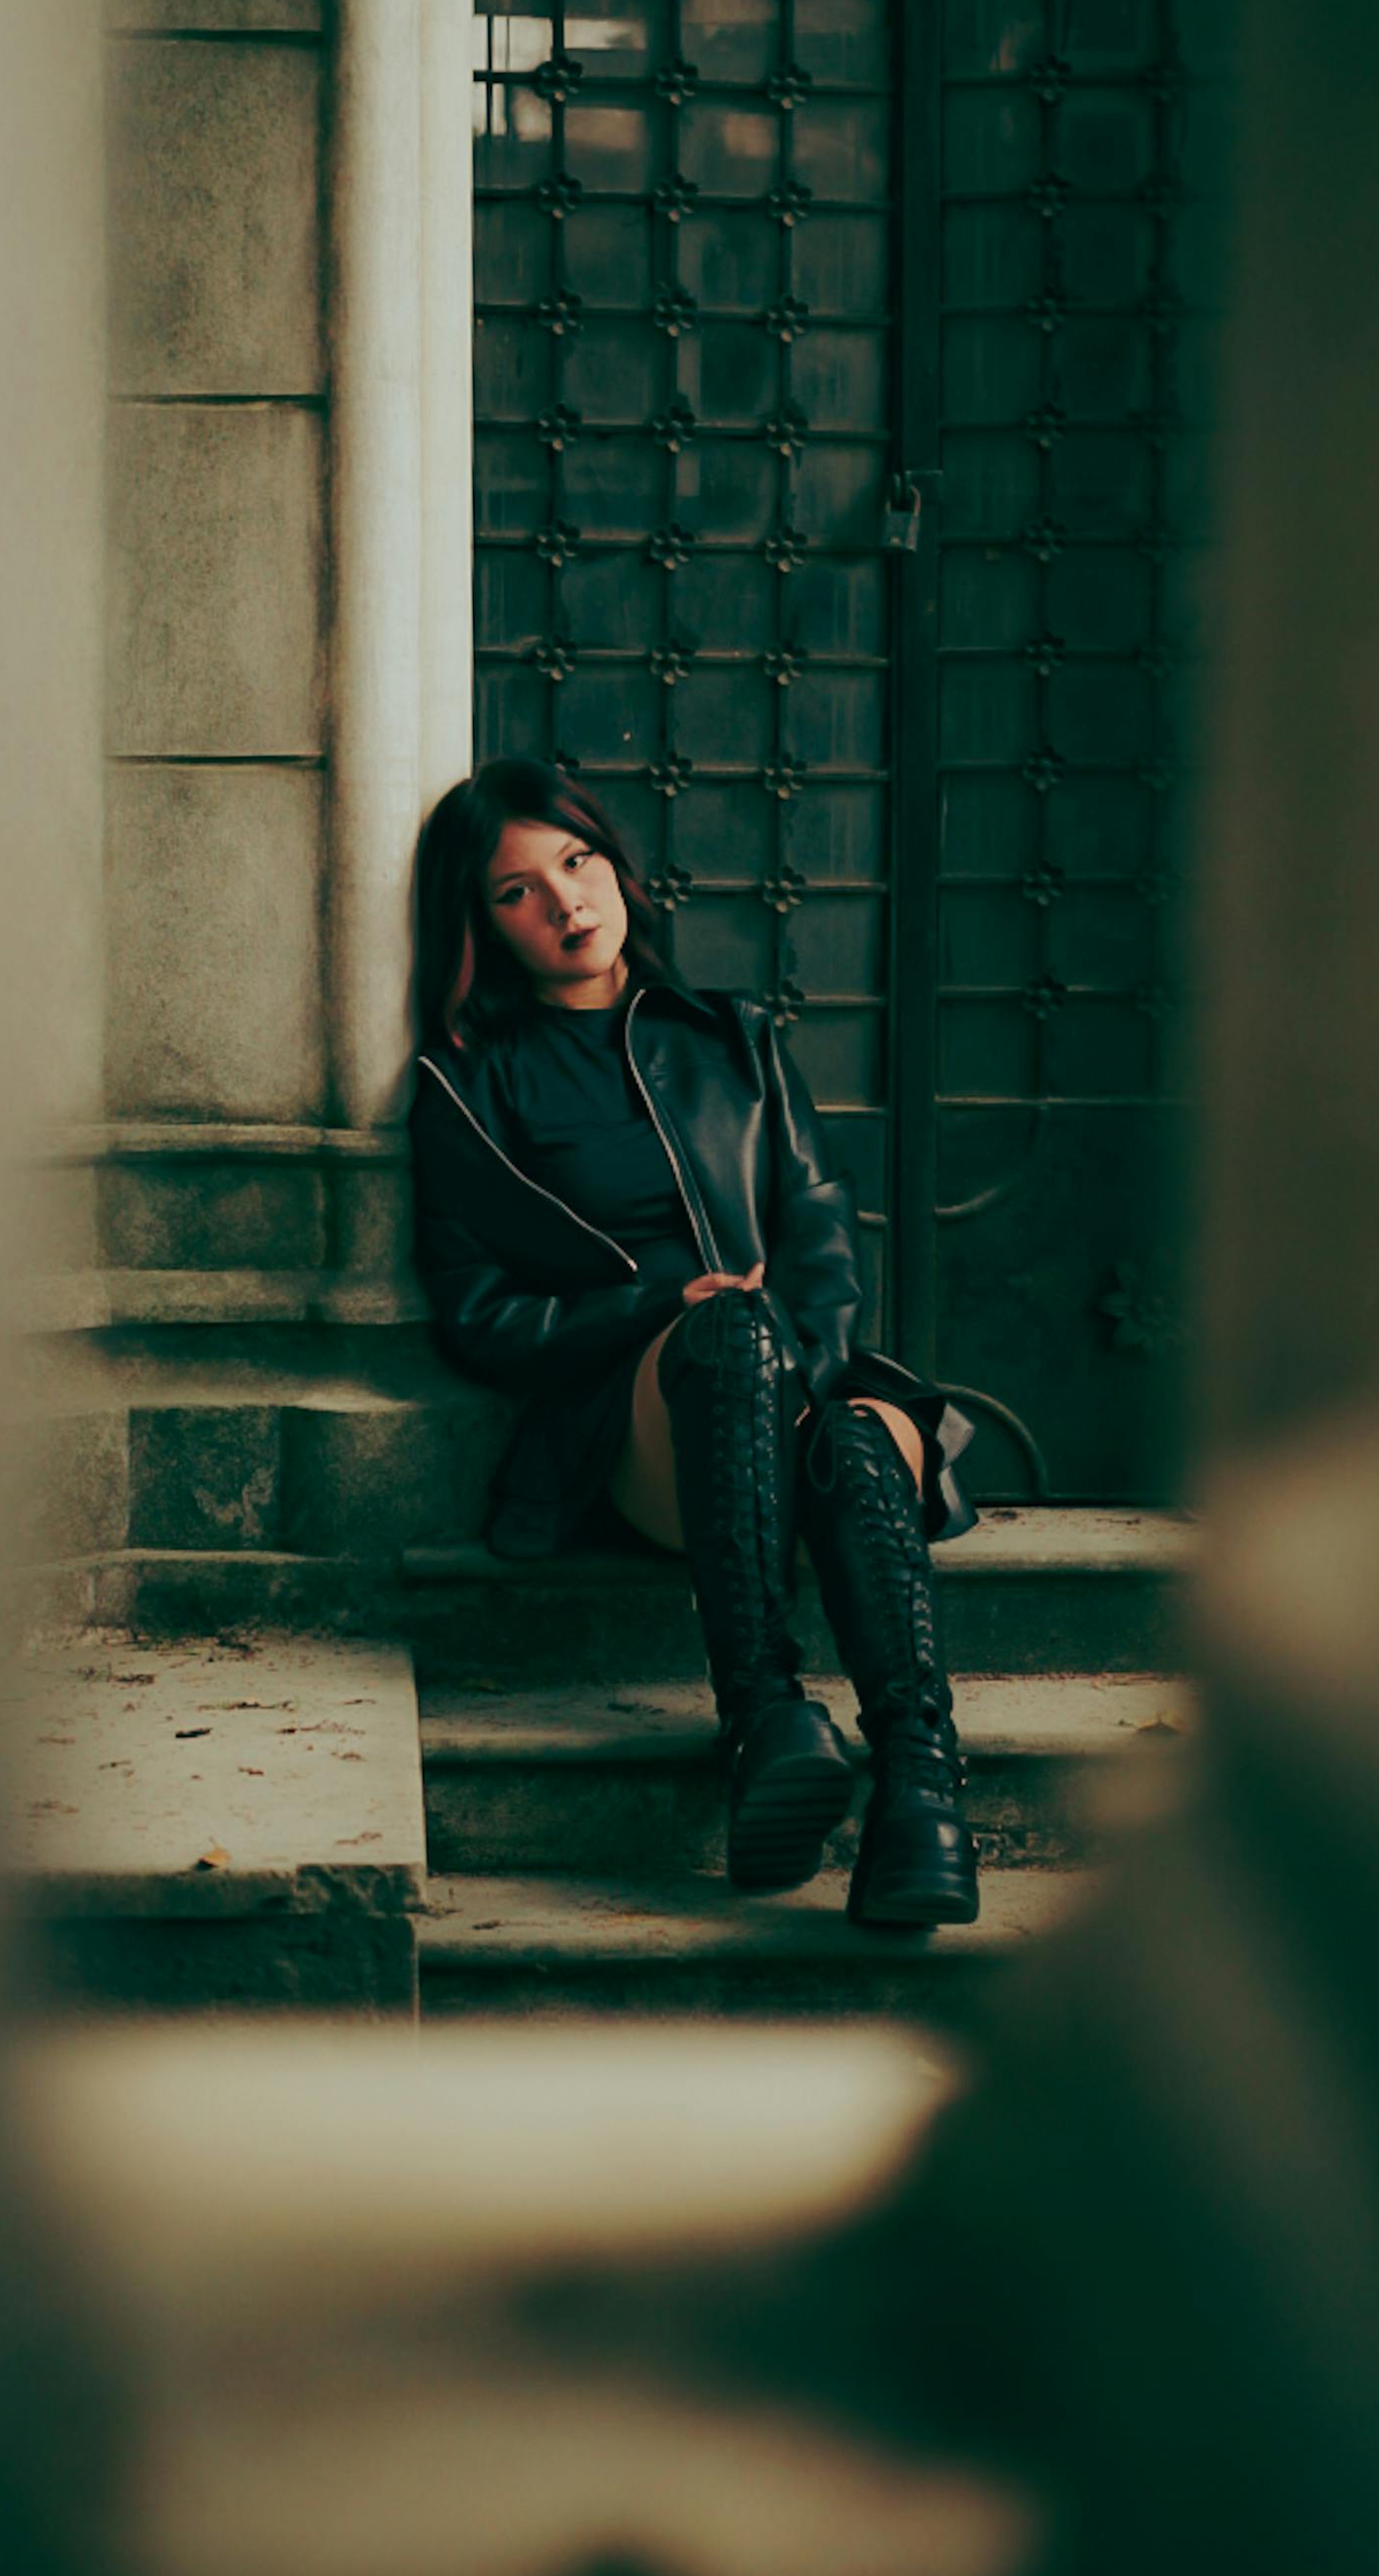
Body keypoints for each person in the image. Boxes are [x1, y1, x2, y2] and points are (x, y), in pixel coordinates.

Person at [409, 756, 981, 1931]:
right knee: (727, 1330)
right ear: (481, 924)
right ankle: (762, 1709)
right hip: (646, 1433)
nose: (565, 902)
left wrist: (801, 1377)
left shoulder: (734, 1035)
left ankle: (918, 1795)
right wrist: (661, 1305)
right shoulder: (468, 1084)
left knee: (858, 1436)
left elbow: (821, 1237)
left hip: (805, 1398)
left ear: (614, 866)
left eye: (575, 861)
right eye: (517, 890)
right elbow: (480, 1318)